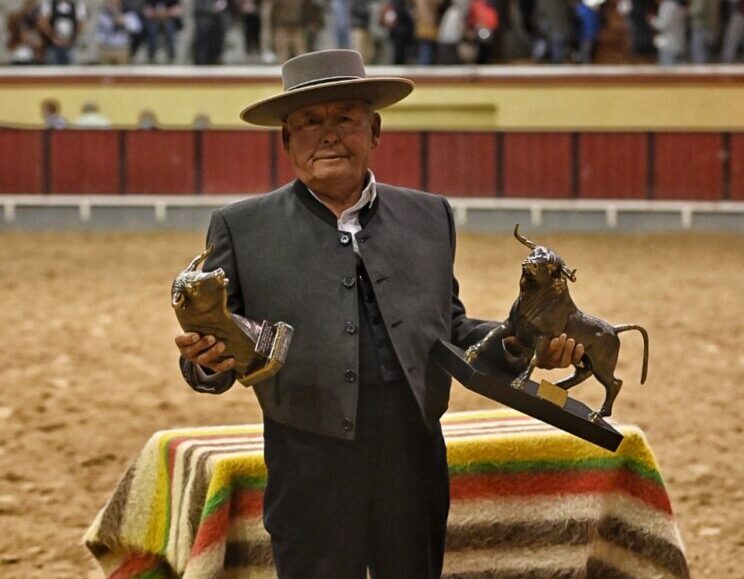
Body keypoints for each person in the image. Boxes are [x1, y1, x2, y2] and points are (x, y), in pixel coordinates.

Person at [174, 49, 583, 578]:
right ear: (286, 140)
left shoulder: (429, 215)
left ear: (375, 130)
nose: (328, 135)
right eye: (309, 123)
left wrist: (525, 343)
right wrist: (207, 361)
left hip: (413, 456)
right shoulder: (240, 227)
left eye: (345, 118)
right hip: (307, 462)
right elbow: (219, 337)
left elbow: (451, 329)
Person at [37, 0, 88, 64]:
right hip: (52, 45)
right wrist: (53, 37)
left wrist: (71, 37)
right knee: (52, 69)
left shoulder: (77, 4)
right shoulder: (49, 4)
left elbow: (82, 24)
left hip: (70, 45)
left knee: (71, 69)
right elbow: (43, 22)